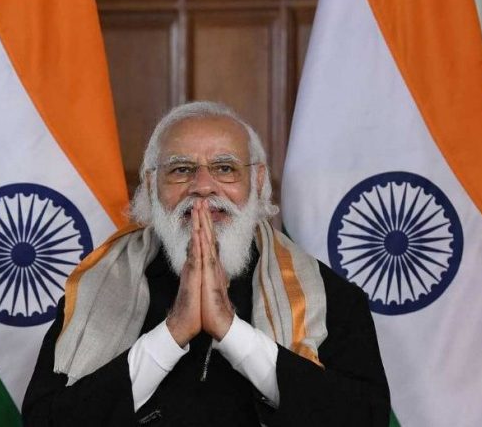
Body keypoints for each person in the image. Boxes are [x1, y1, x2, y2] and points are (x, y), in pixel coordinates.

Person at [22, 101, 390, 426]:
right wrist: (171, 334)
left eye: (225, 168)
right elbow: (44, 420)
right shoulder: (97, 288)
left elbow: (364, 418)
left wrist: (232, 333)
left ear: (257, 181)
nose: (202, 186)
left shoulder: (328, 296)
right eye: (181, 169)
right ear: (150, 184)